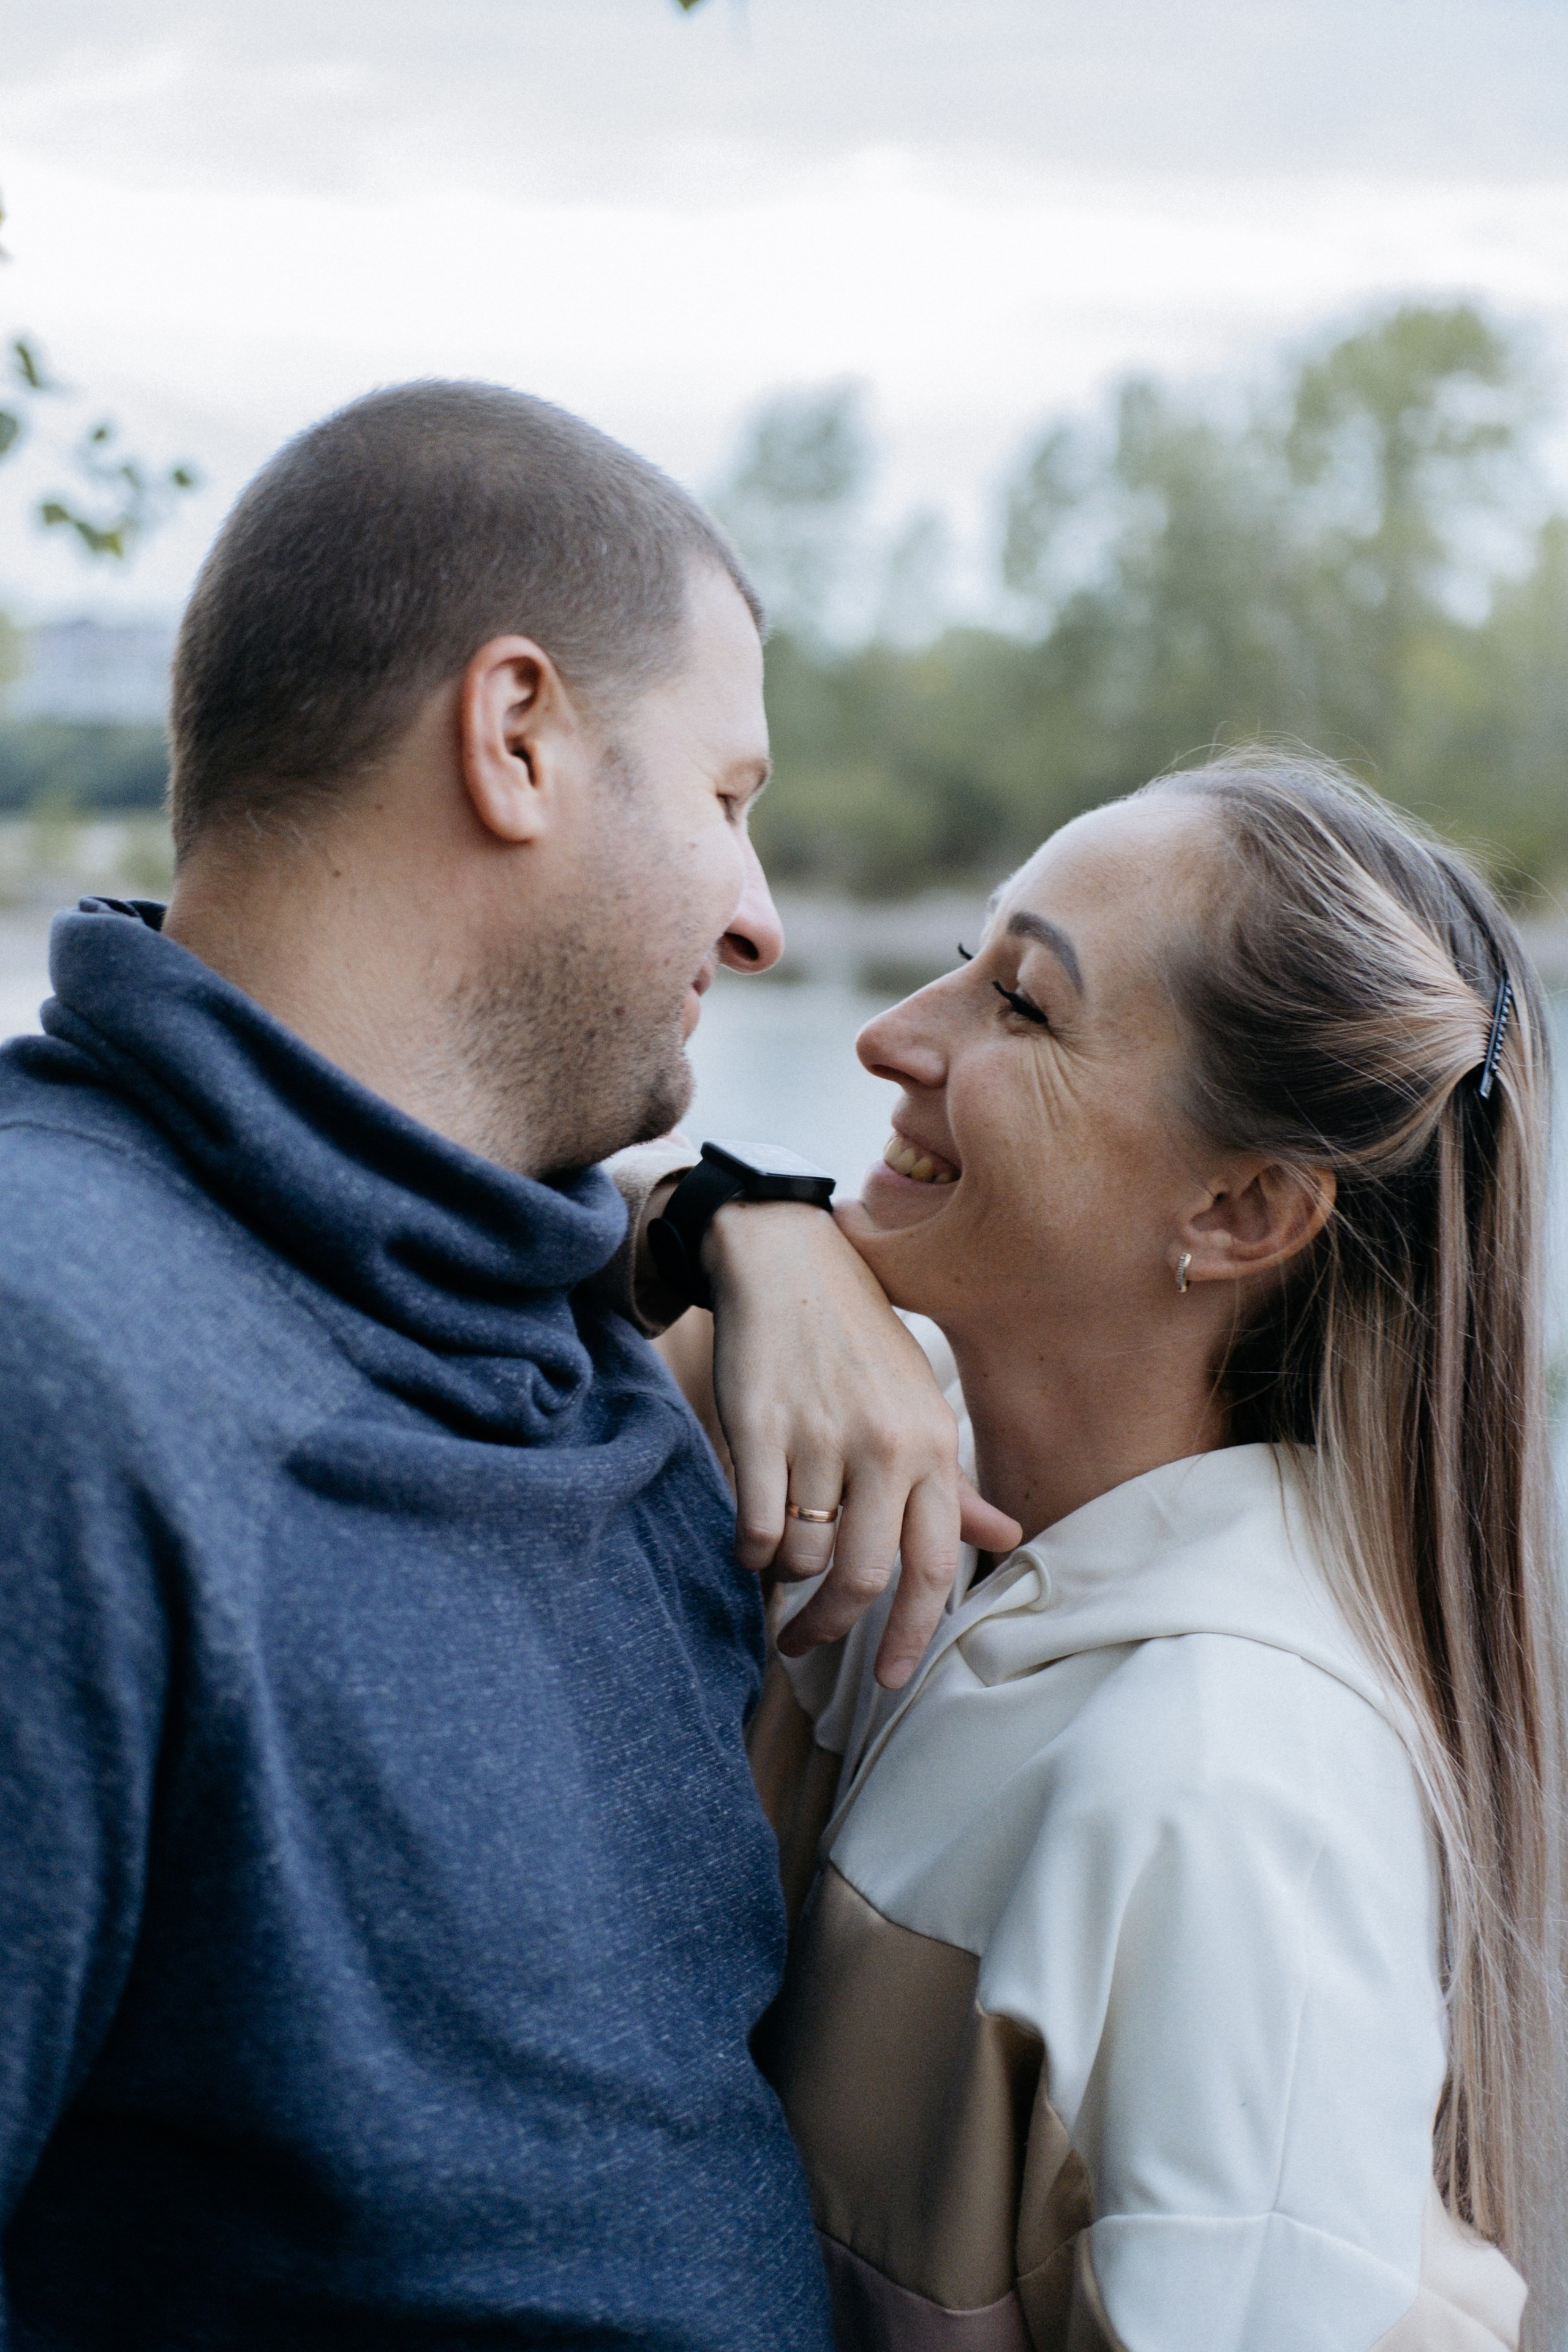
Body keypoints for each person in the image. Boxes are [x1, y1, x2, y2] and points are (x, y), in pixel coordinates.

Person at [0, 382, 1016, 2348]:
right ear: (520, 734)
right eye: (727, 800)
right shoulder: (60, 1361)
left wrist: (753, 1213)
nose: (760, 918)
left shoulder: (556, 1312)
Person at [675, 753, 1565, 2349]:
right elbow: (457, 1248)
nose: (892, 1035)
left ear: (1243, 1211)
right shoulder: (884, 1493)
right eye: (966, 956)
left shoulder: (1225, 1801)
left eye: (1020, 1007)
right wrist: (728, 1225)